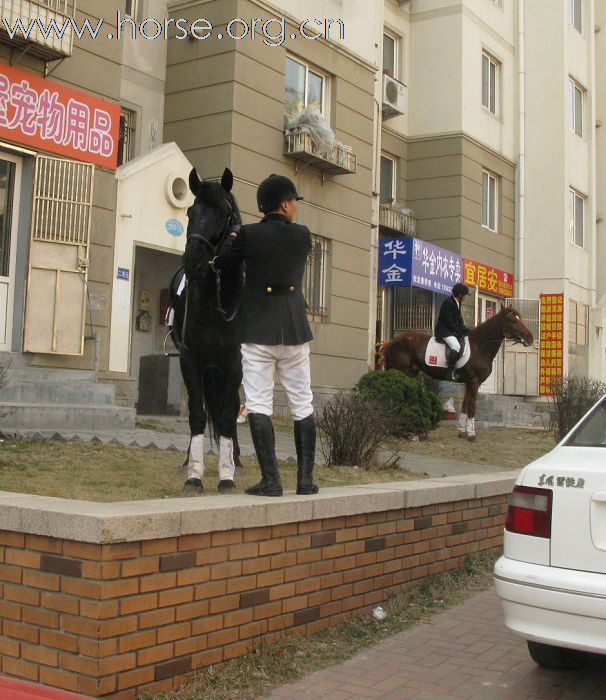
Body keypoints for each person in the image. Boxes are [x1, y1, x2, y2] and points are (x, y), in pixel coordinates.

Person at [213, 174, 318, 497]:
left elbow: (223, 263)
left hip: (257, 330)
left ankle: (271, 481)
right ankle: (305, 481)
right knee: (303, 403)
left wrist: (232, 235)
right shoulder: (303, 236)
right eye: (295, 201)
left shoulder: (248, 234)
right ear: (284, 203)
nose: (296, 206)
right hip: (294, 330)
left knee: (259, 404)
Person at [435, 282, 471, 381]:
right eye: (465, 295)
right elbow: (449, 322)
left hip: (451, 331)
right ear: (460, 295)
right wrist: (459, 331)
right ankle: (449, 372)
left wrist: (466, 330)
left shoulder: (458, 303)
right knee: (456, 346)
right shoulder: (448, 303)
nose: (465, 297)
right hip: (444, 331)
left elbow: (460, 320)